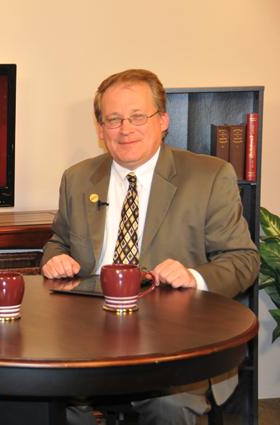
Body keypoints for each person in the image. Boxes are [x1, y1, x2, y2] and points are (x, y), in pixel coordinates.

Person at [41, 69, 259, 425]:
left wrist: (193, 276)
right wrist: (55, 259)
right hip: (85, 340)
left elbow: (243, 260)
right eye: (113, 119)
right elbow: (58, 242)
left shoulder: (209, 176)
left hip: (176, 342)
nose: (126, 129)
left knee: (170, 408)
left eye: (138, 116)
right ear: (100, 129)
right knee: (40, 399)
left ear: (163, 121)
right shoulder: (77, 179)